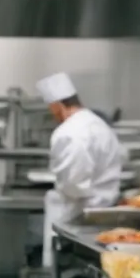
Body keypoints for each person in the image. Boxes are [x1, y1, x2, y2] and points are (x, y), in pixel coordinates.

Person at [37, 72, 125, 265]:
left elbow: (73, 185)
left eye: (51, 109)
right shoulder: (99, 125)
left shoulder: (69, 132)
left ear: (58, 105)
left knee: (69, 272)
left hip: (75, 219)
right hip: (101, 212)